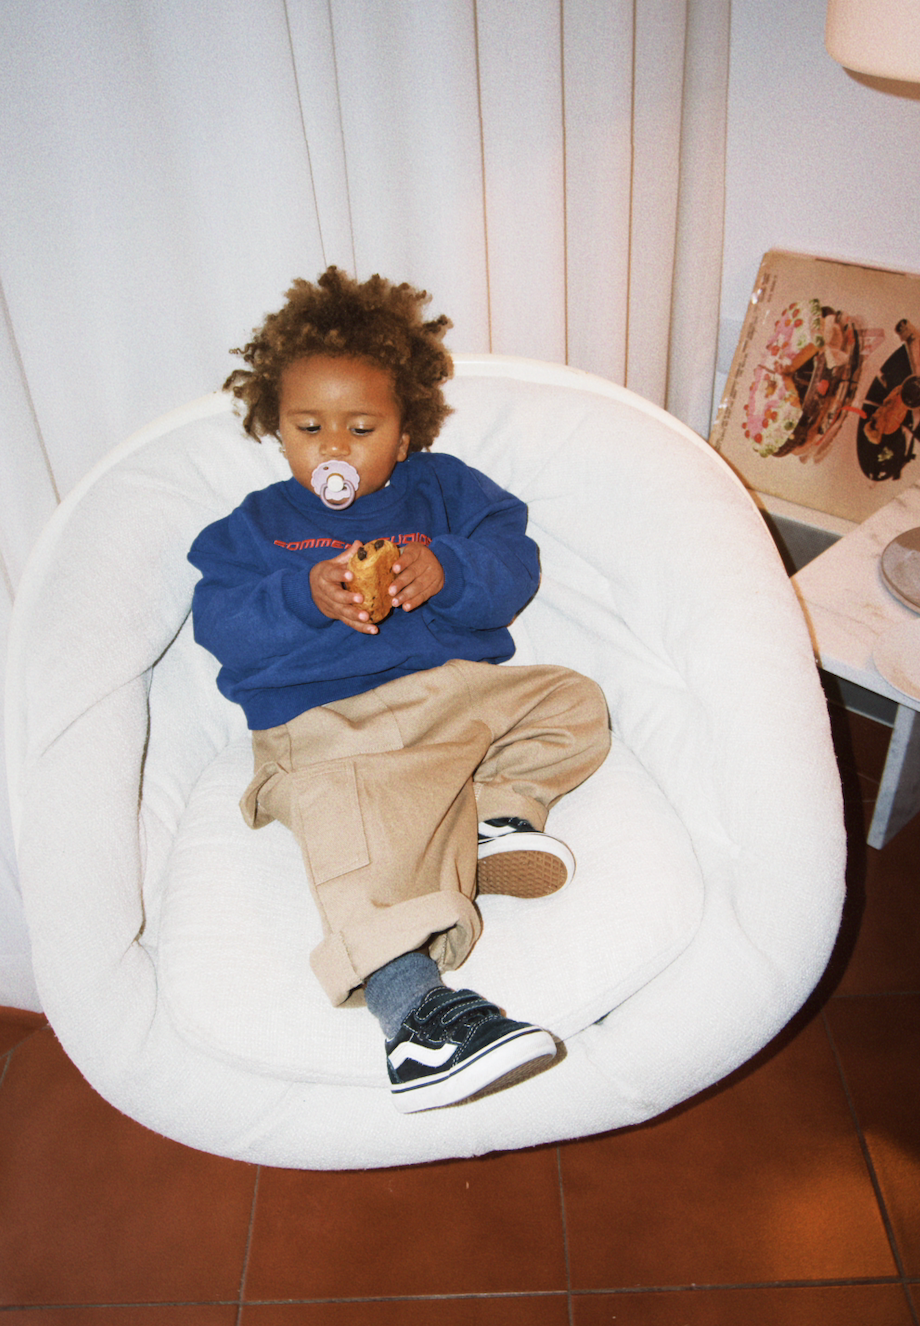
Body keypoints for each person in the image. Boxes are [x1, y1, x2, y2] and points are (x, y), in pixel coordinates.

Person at [188, 267, 610, 1113]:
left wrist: (447, 568)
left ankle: (495, 819)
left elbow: (514, 562)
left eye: (361, 428)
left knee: (573, 702)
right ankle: (417, 1019)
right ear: (275, 426)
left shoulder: (443, 491)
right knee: (354, 836)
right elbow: (219, 621)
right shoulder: (258, 525)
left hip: (452, 699)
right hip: (325, 727)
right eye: (309, 428)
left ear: (406, 431)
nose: (334, 450)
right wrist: (303, 595)